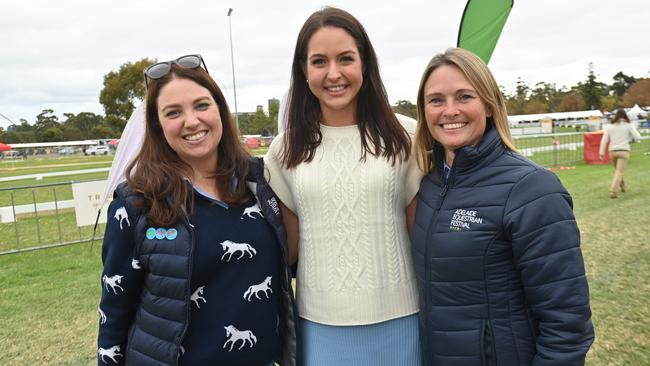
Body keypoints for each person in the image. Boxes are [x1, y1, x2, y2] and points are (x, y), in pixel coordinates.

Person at [97, 54, 297, 366]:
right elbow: (114, 313)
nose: (192, 121)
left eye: (202, 105)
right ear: (157, 125)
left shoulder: (260, 183)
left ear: (219, 109)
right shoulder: (135, 204)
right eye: (173, 112)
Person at [411, 48, 594, 365]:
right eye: (436, 100)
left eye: (464, 97)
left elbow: (567, 324)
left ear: (489, 105)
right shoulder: (429, 186)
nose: (449, 110)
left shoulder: (533, 188)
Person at [264, 7, 422, 365]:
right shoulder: (284, 150)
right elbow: (287, 248)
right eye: (319, 61)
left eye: (346, 59)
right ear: (303, 71)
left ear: (364, 63)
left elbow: (422, 238)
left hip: (403, 320)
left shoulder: (406, 136)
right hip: (318, 326)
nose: (333, 74)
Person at [599, 108, 642, 198]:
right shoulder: (629, 125)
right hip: (624, 150)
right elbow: (638, 137)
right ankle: (613, 191)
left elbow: (604, 140)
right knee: (619, 171)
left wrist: (601, 152)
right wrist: (629, 141)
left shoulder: (609, 126)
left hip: (612, 151)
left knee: (618, 171)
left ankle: (622, 186)